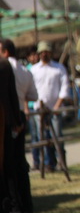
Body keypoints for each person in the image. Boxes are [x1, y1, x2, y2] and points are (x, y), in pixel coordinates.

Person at [0, 39, 36, 211]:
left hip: (8, 119)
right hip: (18, 115)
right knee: (19, 164)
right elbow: (33, 96)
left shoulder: (5, 66)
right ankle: (24, 203)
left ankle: (13, 203)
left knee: (9, 165)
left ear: (5, 51)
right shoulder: (24, 70)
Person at [30, 41, 70, 173]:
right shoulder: (34, 69)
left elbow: (64, 88)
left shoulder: (59, 68)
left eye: (46, 51)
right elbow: (29, 89)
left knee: (57, 137)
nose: (44, 54)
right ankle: (47, 164)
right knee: (41, 137)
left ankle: (61, 162)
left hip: (55, 108)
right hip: (39, 108)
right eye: (42, 52)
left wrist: (58, 105)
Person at [0, 57, 25, 211]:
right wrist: (17, 120)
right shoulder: (4, 64)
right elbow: (12, 95)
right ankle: (13, 205)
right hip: (8, 121)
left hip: (6, 121)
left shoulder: (3, 65)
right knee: (10, 167)